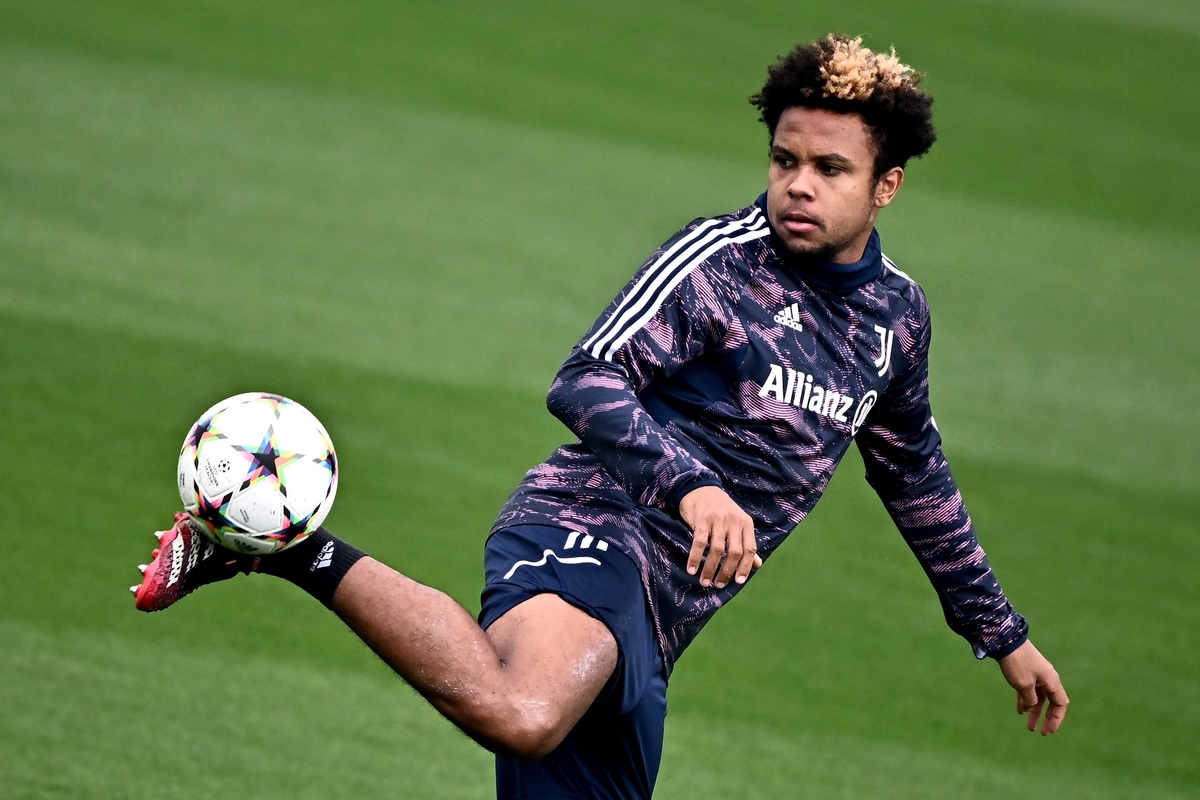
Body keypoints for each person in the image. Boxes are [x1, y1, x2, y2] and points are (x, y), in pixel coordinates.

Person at [132, 33, 1068, 799]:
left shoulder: (896, 320)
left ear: (886, 185)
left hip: (662, 616)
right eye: (785, 160)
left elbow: (915, 476)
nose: (798, 185)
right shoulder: (720, 264)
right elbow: (586, 379)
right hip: (592, 525)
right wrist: (692, 485)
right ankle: (283, 544)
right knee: (522, 712)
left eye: (831, 168)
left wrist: (1000, 633)